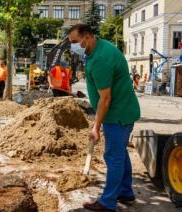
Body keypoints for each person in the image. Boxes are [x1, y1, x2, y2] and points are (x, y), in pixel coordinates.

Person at [68, 24, 140, 211]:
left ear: (88, 37)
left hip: (117, 114)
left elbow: (105, 98)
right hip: (123, 111)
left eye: (75, 42)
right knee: (120, 153)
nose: (74, 46)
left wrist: (96, 127)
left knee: (113, 157)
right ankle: (125, 191)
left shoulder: (101, 58)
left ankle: (108, 202)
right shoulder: (99, 47)